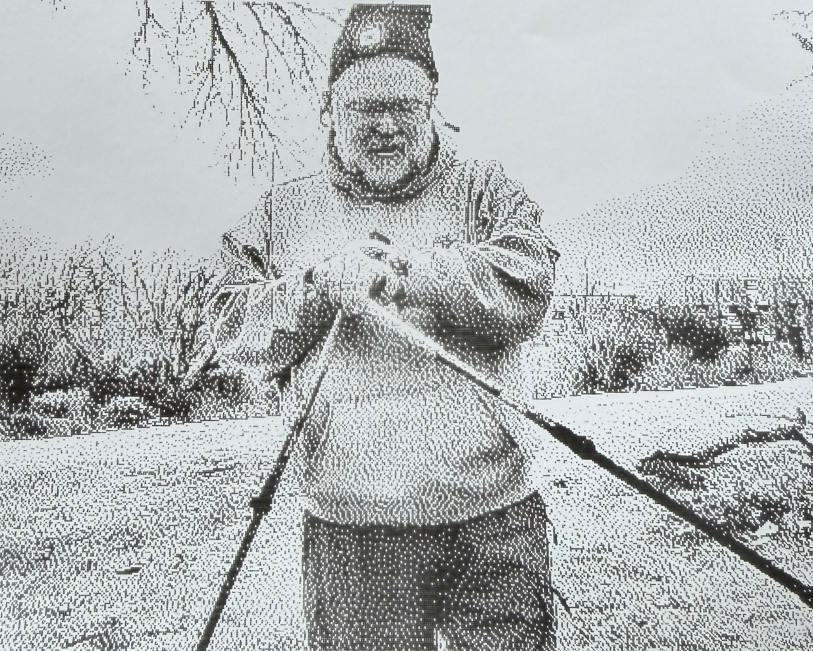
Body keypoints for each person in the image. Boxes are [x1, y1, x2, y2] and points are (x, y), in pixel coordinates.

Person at [203, 4, 560, 649]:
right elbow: (225, 324)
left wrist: (409, 273)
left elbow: (527, 284)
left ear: (434, 107)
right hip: (351, 534)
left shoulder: (485, 189)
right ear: (329, 113)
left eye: (404, 106)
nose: (386, 126)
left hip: (494, 518)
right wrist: (317, 289)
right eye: (365, 108)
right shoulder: (282, 213)